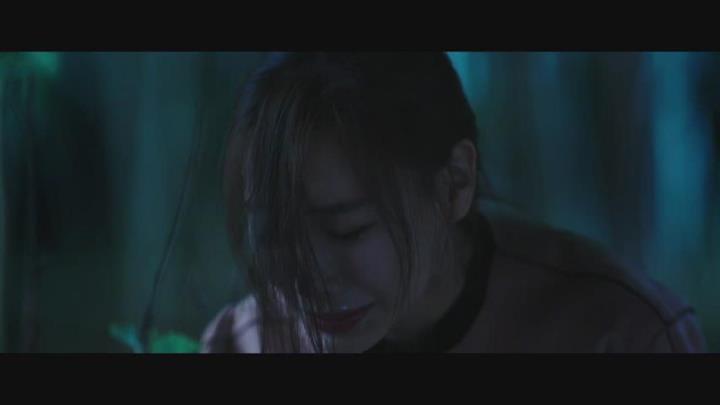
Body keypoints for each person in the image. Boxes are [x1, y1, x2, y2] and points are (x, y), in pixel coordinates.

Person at [201, 52, 706, 353]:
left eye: (348, 229)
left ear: (454, 184)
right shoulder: (246, 343)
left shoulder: (618, 333)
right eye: (274, 235)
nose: (309, 277)